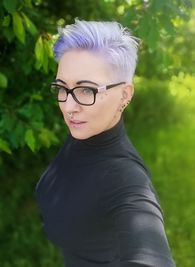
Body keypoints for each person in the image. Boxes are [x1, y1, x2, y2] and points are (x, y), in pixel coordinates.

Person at [35, 19, 176, 267]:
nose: (68, 107)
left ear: (125, 94)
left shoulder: (126, 178)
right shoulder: (85, 133)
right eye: (61, 87)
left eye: (87, 90)